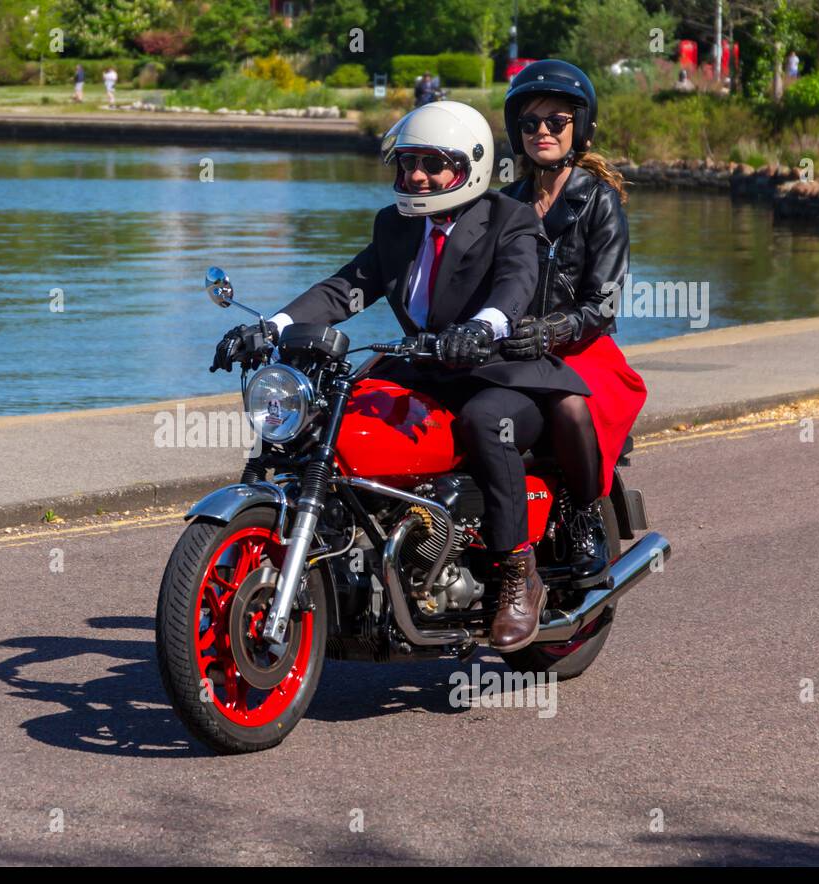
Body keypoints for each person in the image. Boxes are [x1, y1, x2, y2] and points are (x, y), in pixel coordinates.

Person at [213, 101, 582, 651]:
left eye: (433, 164)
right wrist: (273, 325)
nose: (416, 176)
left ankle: (515, 574)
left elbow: (517, 282)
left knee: (485, 423)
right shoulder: (396, 226)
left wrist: (484, 327)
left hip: (502, 373)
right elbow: (348, 288)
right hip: (426, 368)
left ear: (471, 167)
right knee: (333, 417)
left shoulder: (511, 218)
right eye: (408, 163)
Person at [499, 59, 648, 583]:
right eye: (530, 122)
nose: (541, 131)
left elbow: (603, 303)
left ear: (578, 128)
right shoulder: (505, 203)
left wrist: (552, 330)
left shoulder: (599, 201)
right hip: (514, 347)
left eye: (555, 121)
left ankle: (585, 514)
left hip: (581, 349)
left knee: (568, 406)